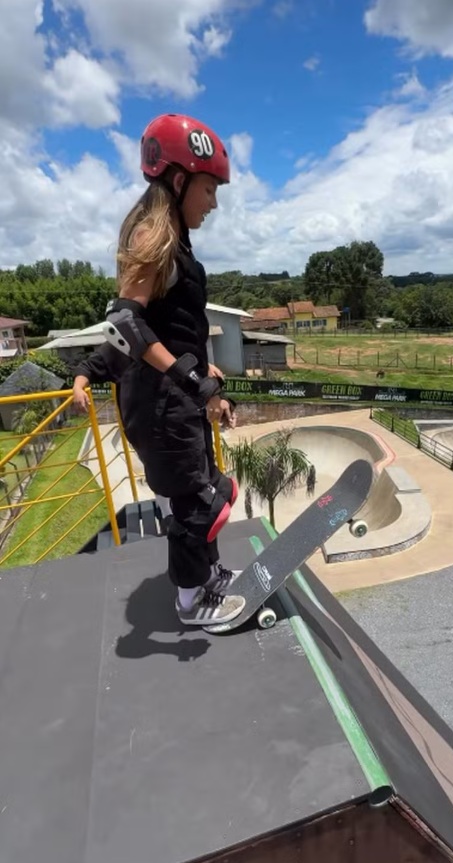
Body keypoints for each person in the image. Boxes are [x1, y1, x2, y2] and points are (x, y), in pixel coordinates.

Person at [101, 112, 245, 627]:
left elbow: (175, 326)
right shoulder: (152, 236)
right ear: (180, 180)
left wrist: (205, 372)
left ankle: (207, 575)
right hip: (161, 403)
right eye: (209, 189)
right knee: (195, 502)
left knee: (208, 487)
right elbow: (124, 324)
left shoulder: (176, 242)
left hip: (179, 398)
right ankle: (190, 601)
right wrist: (190, 379)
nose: (214, 203)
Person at [72, 342, 174, 530]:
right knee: (155, 469)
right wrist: (78, 387)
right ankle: (167, 513)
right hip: (141, 425)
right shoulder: (119, 347)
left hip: (173, 417)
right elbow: (88, 367)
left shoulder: (166, 339)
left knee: (179, 466)